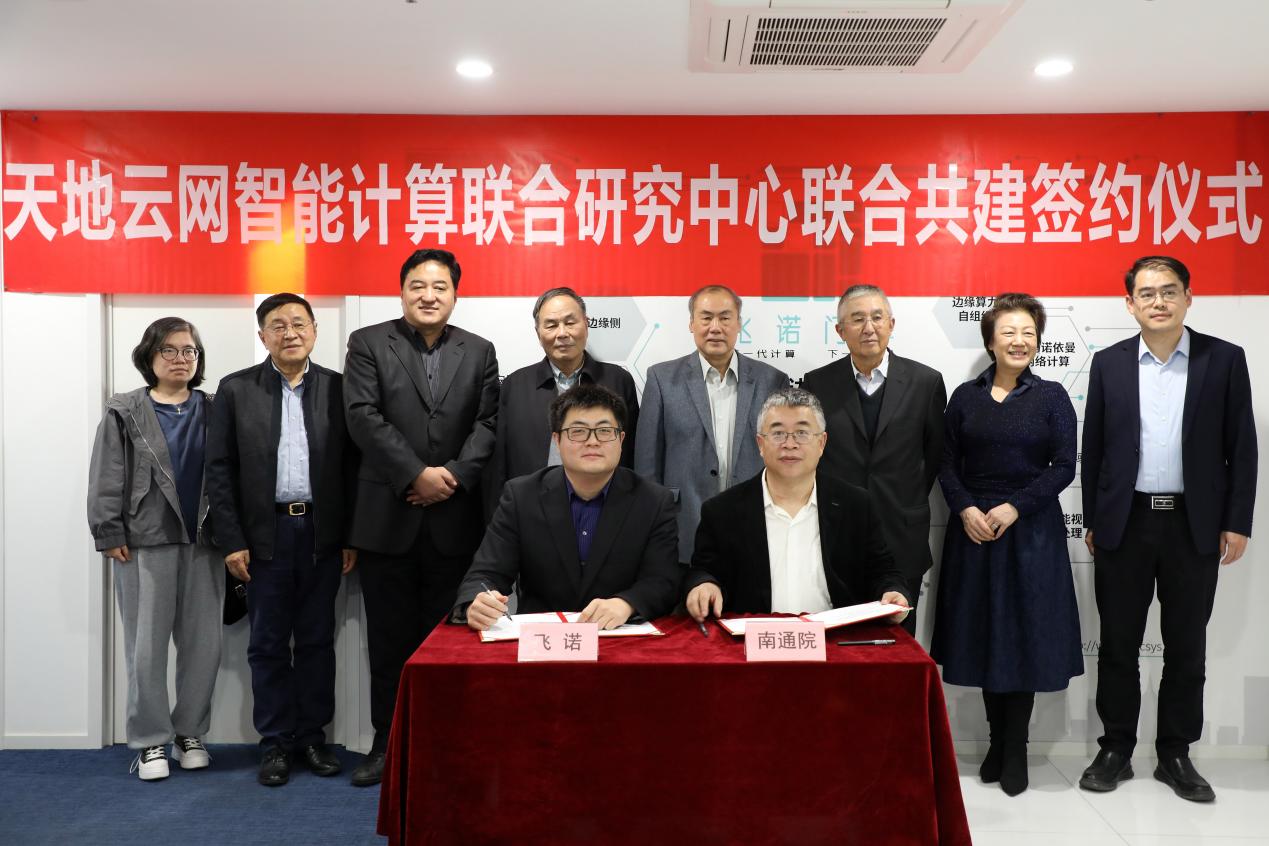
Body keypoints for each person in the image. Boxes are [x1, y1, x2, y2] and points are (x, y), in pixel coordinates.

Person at [1079, 256, 1256, 803]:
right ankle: (1115, 748)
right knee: (1118, 644)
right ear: (1129, 303)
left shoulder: (1223, 360)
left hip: (1193, 525)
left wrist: (1237, 521)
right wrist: (1094, 518)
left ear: (1188, 298)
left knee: (1187, 646)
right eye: (1147, 293)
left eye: (1169, 291)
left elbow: (1242, 448)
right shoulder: (1108, 363)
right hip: (1124, 522)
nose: (1159, 301)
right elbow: (1095, 448)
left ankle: (1175, 753)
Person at [343, 248, 499, 786]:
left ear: (455, 294)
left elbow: (488, 425)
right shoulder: (368, 343)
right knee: (388, 645)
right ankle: (386, 745)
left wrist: (450, 477)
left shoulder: (479, 351)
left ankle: (445, 747)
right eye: (418, 285)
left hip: (455, 522)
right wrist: (415, 474)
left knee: (452, 644)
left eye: (440, 287)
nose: (429, 296)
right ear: (402, 291)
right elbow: (362, 416)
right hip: (387, 520)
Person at [931, 293, 1082, 797]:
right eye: (1009, 332)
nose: (1020, 341)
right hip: (974, 531)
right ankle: (996, 743)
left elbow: (1064, 466)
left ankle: (1015, 747)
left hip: (1031, 531)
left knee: (1025, 639)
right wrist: (965, 509)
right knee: (984, 637)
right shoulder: (964, 397)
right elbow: (946, 463)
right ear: (990, 341)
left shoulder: (1052, 396)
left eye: (1029, 333)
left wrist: (1015, 507)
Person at [205, 293, 357, 787]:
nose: (289, 333)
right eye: (277, 325)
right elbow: (219, 470)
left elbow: (354, 469)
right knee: (267, 643)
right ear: (262, 335)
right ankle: (274, 742)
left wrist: (349, 535)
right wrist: (231, 540)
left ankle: (312, 737)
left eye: (298, 323)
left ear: (314, 329)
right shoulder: (235, 390)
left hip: (320, 533)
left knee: (316, 640)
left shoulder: (340, 388)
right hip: (262, 536)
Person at [87, 317, 222, 781]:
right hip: (144, 541)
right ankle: (149, 741)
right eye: (169, 350)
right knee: (145, 648)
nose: (180, 359)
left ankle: (190, 733)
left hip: (205, 541)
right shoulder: (125, 411)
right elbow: (106, 475)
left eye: (189, 351)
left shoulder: (215, 408)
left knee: (204, 646)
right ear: (149, 356)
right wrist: (109, 532)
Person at [456, 384, 680, 631]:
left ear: (621, 439)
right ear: (557, 440)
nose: (592, 441)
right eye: (578, 431)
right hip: (542, 641)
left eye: (604, 431)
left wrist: (626, 603)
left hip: (619, 636)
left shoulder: (653, 501)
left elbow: (663, 580)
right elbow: (485, 574)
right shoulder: (521, 496)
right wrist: (476, 602)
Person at [684, 387, 911, 622]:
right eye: (778, 433)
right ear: (760, 444)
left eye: (802, 433)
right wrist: (704, 584)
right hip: (753, 638)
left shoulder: (856, 505)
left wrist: (892, 592)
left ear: (822, 442)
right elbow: (703, 571)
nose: (790, 444)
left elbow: (883, 571)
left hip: (834, 638)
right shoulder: (722, 511)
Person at [802, 285, 946, 635]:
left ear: (891, 324)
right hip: (838, 534)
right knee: (839, 644)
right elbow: (812, 456)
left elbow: (933, 455)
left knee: (899, 645)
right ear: (840, 330)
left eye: (877, 317)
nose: (869, 327)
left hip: (902, 533)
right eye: (857, 319)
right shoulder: (818, 384)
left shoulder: (925, 382)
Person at [635, 285, 787, 565]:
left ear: (739, 324)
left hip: (755, 522)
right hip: (683, 524)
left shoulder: (771, 380)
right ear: (691, 324)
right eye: (706, 318)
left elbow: (782, 456)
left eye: (725, 318)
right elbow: (647, 464)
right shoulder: (661, 379)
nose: (715, 327)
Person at [486, 287, 639, 516]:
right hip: (532, 512)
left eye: (570, 322)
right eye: (551, 325)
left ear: (586, 324)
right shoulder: (515, 385)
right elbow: (499, 463)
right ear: (538, 332)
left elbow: (632, 453)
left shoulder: (618, 380)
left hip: (605, 509)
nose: (562, 333)